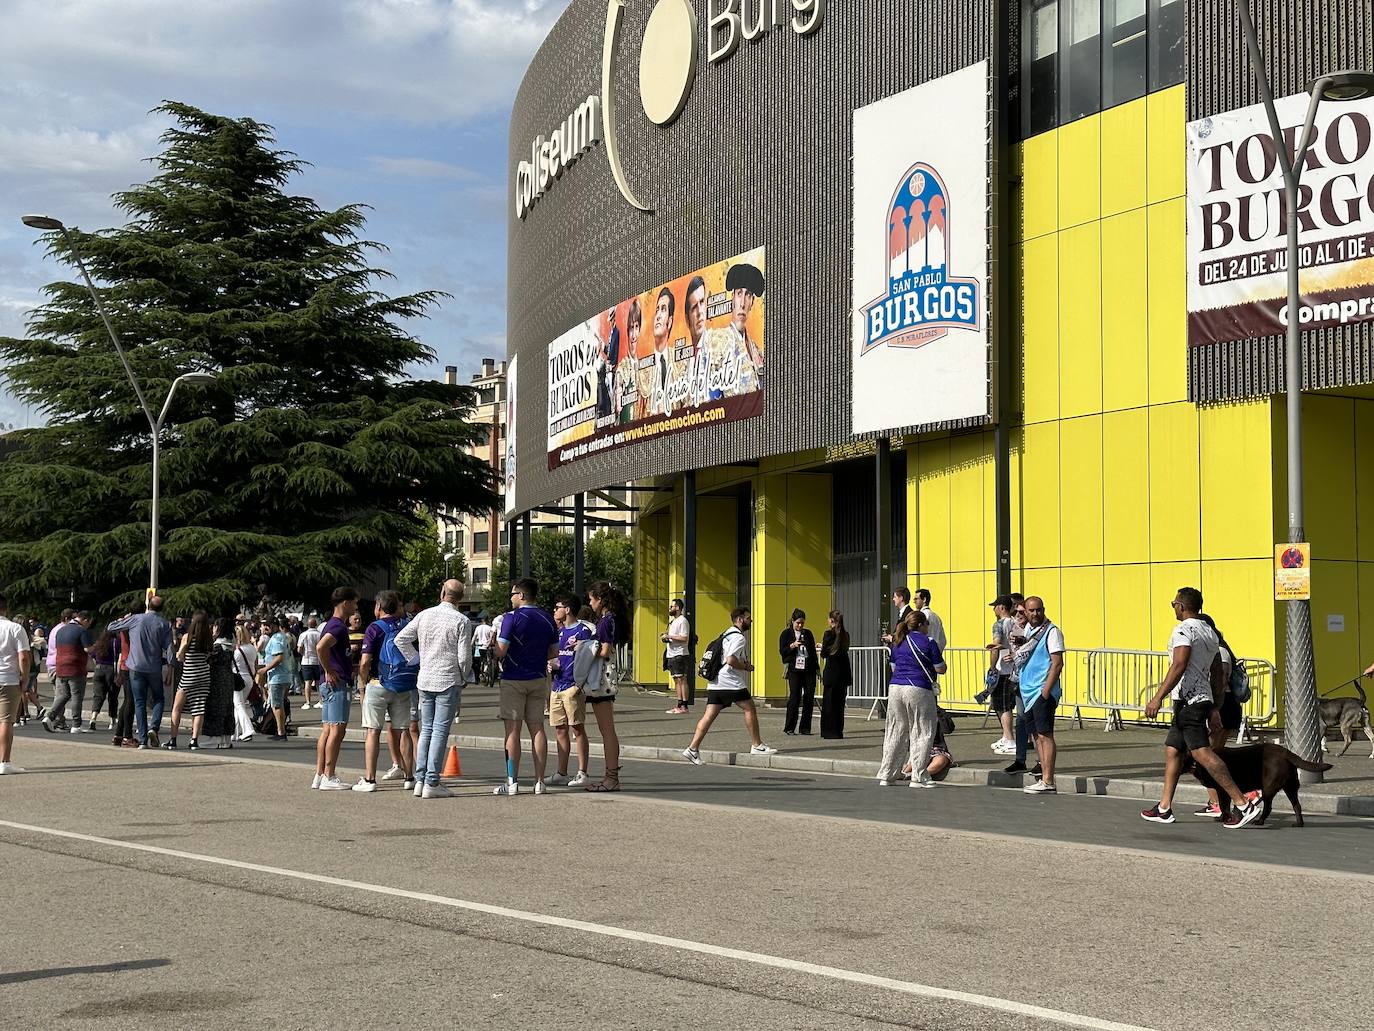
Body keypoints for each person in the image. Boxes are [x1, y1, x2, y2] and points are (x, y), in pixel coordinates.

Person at [1141, 588, 1264, 829]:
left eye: (1174, 603)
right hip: (1198, 701)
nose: (1173, 607)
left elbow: (1179, 664)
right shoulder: (1209, 632)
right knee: (1173, 750)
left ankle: (1243, 804)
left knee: (1202, 753)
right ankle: (1164, 807)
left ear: (1181, 606)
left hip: (1189, 701)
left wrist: (1157, 697)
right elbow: (1217, 671)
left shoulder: (1183, 630)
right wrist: (1215, 705)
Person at [394, 580, 472, 799]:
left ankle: (420, 779)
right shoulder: (462, 620)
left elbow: (401, 639)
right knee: (439, 731)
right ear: (461, 598)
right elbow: (464, 656)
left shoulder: (424, 615)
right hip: (448, 679)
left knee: (426, 729)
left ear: (442, 593)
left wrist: (417, 659)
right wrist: (463, 676)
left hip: (425, 678)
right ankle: (432, 781)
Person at [682, 607, 777, 764]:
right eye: (748, 618)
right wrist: (746, 667)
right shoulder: (739, 638)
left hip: (715, 682)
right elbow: (731, 659)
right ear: (740, 620)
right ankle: (757, 745)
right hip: (730, 682)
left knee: (709, 715)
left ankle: (692, 749)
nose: (750, 621)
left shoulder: (726, 633)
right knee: (750, 708)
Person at [491, 578, 558, 796]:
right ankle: (540, 781)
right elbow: (553, 652)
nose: (510, 598)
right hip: (538, 677)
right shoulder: (548, 618)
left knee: (513, 730)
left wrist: (493, 648)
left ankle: (512, 781)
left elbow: (501, 650)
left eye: (512, 594)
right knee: (537, 728)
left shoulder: (511, 618)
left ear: (521, 595)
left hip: (513, 677)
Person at [354, 590, 418, 793]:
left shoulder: (375, 628)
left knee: (372, 731)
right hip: (403, 684)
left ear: (379, 607)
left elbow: (365, 661)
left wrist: (362, 684)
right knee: (403, 730)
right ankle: (409, 776)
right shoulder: (406, 626)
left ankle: (370, 779)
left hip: (378, 683)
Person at [877, 610, 946, 788]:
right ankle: (919, 776)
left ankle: (887, 774)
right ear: (921, 625)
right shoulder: (929, 642)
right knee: (922, 731)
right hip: (918, 688)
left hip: (895, 687)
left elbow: (893, 666)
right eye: (926, 625)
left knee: (895, 730)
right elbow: (940, 668)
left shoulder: (898, 641)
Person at [1193, 610, 1242, 819]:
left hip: (1222, 707)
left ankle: (1224, 800)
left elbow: (1220, 684)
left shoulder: (1220, 653)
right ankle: (1218, 801)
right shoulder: (1219, 650)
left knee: (1209, 757)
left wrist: (1213, 711)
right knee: (1214, 756)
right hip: (1223, 706)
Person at [1014, 596, 1065, 795]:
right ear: (1025, 612)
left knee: (1045, 735)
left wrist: (1046, 691)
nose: (1036, 614)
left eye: (1039, 610)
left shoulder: (1052, 632)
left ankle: (1048, 779)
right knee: (1036, 736)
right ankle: (1043, 777)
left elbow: (1057, 663)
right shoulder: (1029, 630)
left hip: (1041, 691)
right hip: (1028, 691)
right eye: (1032, 610)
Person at [582, 581, 630, 792]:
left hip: (601, 679)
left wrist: (582, 648)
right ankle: (611, 776)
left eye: (591, 599)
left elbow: (604, 651)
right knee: (607, 729)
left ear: (600, 600)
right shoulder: (612, 619)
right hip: (606, 678)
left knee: (606, 730)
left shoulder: (604, 621)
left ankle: (611, 777)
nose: (590, 604)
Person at [108, 596, 173, 748]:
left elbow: (111, 627)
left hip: (135, 666)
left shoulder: (136, 619)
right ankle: (154, 727)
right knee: (158, 698)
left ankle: (143, 739)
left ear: (147, 605)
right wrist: (170, 666)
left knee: (139, 702)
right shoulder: (165, 623)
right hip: (154, 666)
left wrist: (123, 619)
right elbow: (169, 647)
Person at [312, 588, 358, 790]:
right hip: (336, 683)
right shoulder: (338, 626)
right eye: (354, 603)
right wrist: (329, 670)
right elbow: (321, 647)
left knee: (328, 729)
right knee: (337, 730)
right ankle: (329, 776)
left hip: (330, 682)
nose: (356, 607)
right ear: (345, 603)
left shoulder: (332, 624)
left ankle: (320, 774)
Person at [547, 595, 592, 787]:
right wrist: (550, 663)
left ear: (567, 609)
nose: (554, 610)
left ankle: (582, 772)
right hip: (556, 685)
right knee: (560, 729)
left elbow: (591, 656)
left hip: (573, 686)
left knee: (577, 728)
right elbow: (556, 655)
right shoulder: (558, 632)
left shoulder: (583, 631)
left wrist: (579, 685)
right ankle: (561, 772)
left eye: (557, 607)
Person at [163, 611, 214, 750]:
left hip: (189, 675)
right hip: (204, 676)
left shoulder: (187, 637)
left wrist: (182, 649)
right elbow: (209, 656)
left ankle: (173, 739)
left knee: (177, 708)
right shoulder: (208, 639)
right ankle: (194, 740)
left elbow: (180, 657)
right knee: (198, 709)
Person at [0, 594, 33, 774]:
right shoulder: (15, 628)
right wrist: (25, 677)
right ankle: (4, 761)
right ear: (5, 608)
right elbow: (24, 657)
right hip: (8, 679)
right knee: (6, 721)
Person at [45, 609, 92, 734]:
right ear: (85, 620)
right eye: (89, 623)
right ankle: (76, 725)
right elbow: (88, 649)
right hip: (75, 668)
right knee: (77, 696)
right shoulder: (82, 631)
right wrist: (97, 647)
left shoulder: (60, 630)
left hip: (60, 666)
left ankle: (49, 716)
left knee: (63, 695)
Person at [986, 595, 1018, 755]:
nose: (993, 609)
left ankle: (1010, 738)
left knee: (1002, 705)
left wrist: (992, 666)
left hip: (1002, 669)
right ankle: (1006, 736)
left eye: (995, 606)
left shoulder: (998, 624)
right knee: (1008, 704)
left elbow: (995, 646)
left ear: (1001, 607)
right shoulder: (1016, 623)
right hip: (1014, 668)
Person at [778, 609, 818, 735]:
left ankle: (805, 727)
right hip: (795, 668)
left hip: (808, 668)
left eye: (802, 623)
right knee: (794, 697)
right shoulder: (786, 634)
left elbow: (812, 652)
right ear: (793, 621)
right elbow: (782, 651)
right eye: (798, 623)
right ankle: (789, 727)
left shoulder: (808, 633)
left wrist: (817, 668)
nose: (800, 626)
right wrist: (792, 646)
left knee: (809, 697)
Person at [204, 618, 240, 749]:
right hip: (228, 678)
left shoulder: (217, 645)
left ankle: (214, 737)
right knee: (227, 707)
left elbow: (207, 660)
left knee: (215, 706)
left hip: (217, 678)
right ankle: (226, 738)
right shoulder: (230, 643)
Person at [260, 616, 294, 742]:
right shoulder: (283, 636)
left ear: (273, 626)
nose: (265, 628)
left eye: (266, 626)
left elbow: (278, 658)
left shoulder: (276, 639)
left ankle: (281, 732)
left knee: (277, 705)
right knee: (281, 704)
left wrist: (265, 669)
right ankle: (280, 730)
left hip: (277, 677)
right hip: (284, 675)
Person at [820, 610, 851, 739]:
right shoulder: (845, 635)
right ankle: (838, 731)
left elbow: (824, 654)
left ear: (832, 621)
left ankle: (828, 731)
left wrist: (823, 647)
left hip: (832, 672)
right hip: (843, 673)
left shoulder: (828, 634)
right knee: (839, 704)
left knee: (829, 703)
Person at [86, 626, 120, 733]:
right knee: (113, 696)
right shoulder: (116, 643)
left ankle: (93, 718)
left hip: (99, 669)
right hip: (111, 670)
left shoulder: (99, 643)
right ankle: (112, 721)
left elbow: (92, 654)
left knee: (98, 695)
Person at [662, 599, 692, 715]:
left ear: (678, 608)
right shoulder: (673, 621)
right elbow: (674, 637)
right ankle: (679, 704)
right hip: (671, 653)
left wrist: (670, 636)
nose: (670, 608)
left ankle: (684, 705)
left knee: (681, 679)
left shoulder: (682, 621)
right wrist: (666, 638)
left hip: (680, 654)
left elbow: (684, 638)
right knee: (676, 680)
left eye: (672, 606)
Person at [230, 624, 258, 743]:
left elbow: (231, 666)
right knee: (238, 705)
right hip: (249, 679)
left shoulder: (237, 651)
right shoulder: (252, 648)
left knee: (238, 705)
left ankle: (247, 730)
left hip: (237, 679)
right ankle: (235, 733)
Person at [297, 616, 321, 709]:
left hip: (306, 660)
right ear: (316, 624)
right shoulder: (320, 634)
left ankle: (308, 702)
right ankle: (321, 700)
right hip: (317, 660)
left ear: (307, 625)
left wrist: (303, 653)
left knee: (307, 682)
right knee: (319, 682)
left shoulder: (303, 635)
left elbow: (299, 649)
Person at [347, 612, 366, 700]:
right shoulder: (346, 632)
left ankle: (363, 711)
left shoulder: (364, 631)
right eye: (355, 619)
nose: (357, 621)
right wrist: (350, 648)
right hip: (349, 663)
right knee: (348, 687)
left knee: (362, 688)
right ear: (350, 621)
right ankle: (347, 703)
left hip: (362, 663)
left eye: (359, 619)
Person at [472, 617, 496, 685]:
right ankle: (487, 667)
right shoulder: (489, 627)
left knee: (481, 660)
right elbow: (492, 636)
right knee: (489, 659)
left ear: (481, 621)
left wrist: (471, 644)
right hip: (488, 646)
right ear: (487, 621)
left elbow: (474, 636)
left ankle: (482, 671)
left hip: (480, 646)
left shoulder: (478, 628)